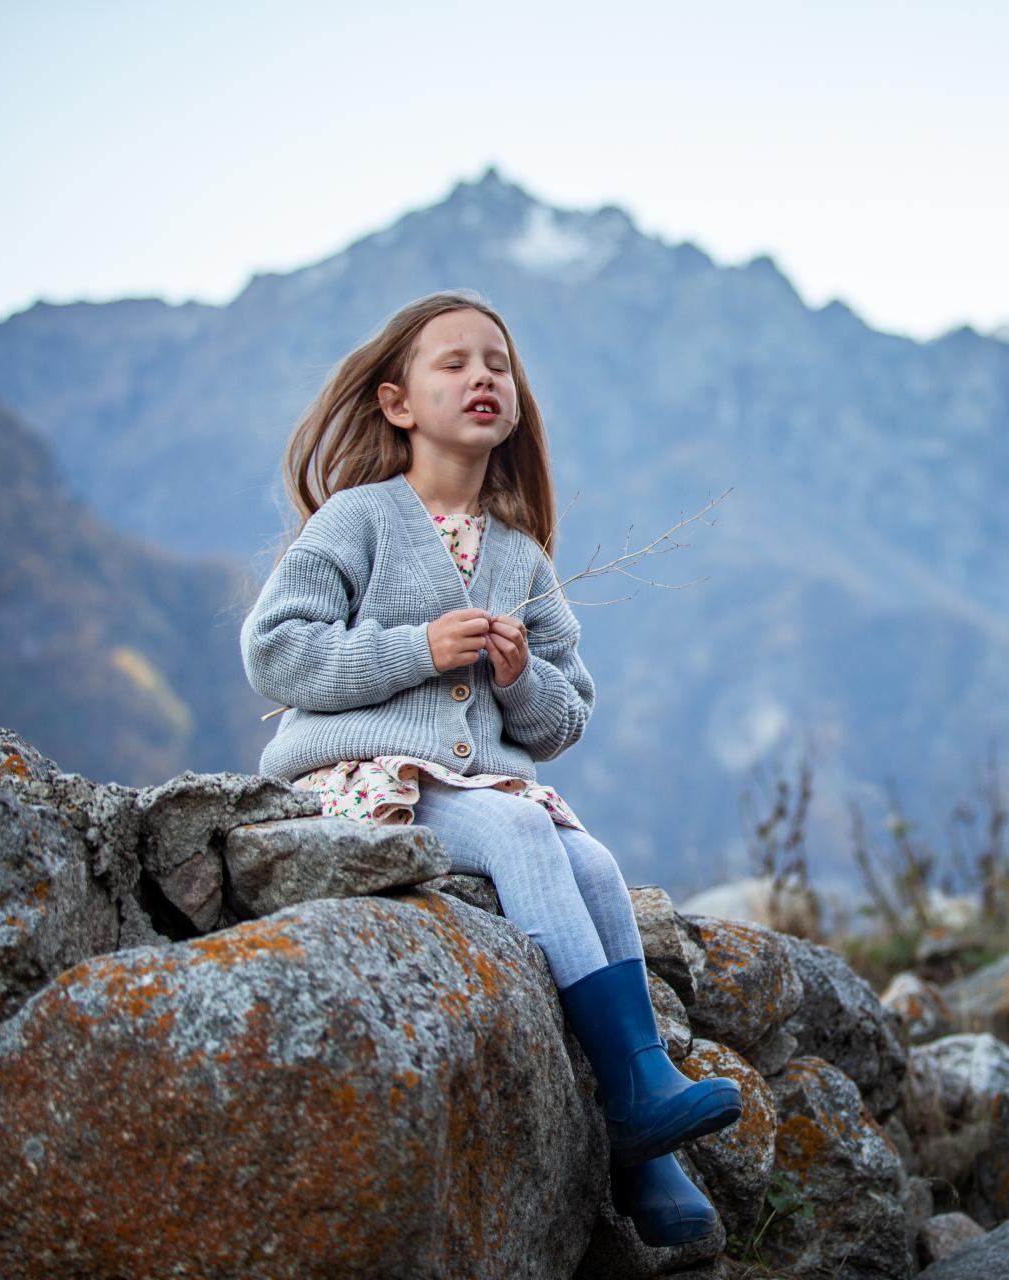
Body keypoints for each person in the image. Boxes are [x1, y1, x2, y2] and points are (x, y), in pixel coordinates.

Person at [239, 289, 738, 1246]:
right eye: (455, 363)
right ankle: (642, 1112)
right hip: (364, 778)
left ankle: (647, 1127)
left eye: (498, 365)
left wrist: (517, 677)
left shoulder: (521, 556)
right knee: (520, 830)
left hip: (479, 784)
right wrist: (417, 648)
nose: (483, 378)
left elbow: (565, 718)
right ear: (396, 404)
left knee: (591, 865)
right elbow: (278, 653)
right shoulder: (357, 521)